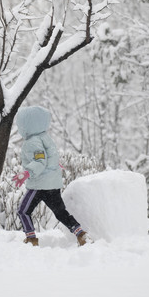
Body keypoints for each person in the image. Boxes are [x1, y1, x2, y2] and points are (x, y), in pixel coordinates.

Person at [11, 106, 92, 247]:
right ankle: (80, 233)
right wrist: (54, 166)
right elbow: (51, 156)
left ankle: (31, 238)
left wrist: (27, 172)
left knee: (23, 211)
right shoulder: (45, 137)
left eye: (20, 125)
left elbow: (40, 160)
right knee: (60, 212)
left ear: (28, 125)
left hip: (39, 185)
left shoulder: (32, 142)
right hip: (52, 184)